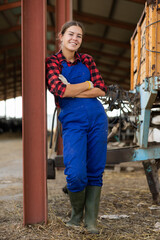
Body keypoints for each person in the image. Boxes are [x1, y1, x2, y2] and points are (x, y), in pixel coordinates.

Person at [46, 20, 108, 234]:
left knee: (95, 169)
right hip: (72, 120)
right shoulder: (52, 62)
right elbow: (59, 90)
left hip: (97, 118)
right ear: (61, 36)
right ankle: (75, 217)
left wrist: (76, 88)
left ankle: (90, 221)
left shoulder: (88, 60)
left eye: (79, 36)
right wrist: (87, 85)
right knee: (75, 173)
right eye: (70, 34)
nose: (74, 38)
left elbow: (101, 89)